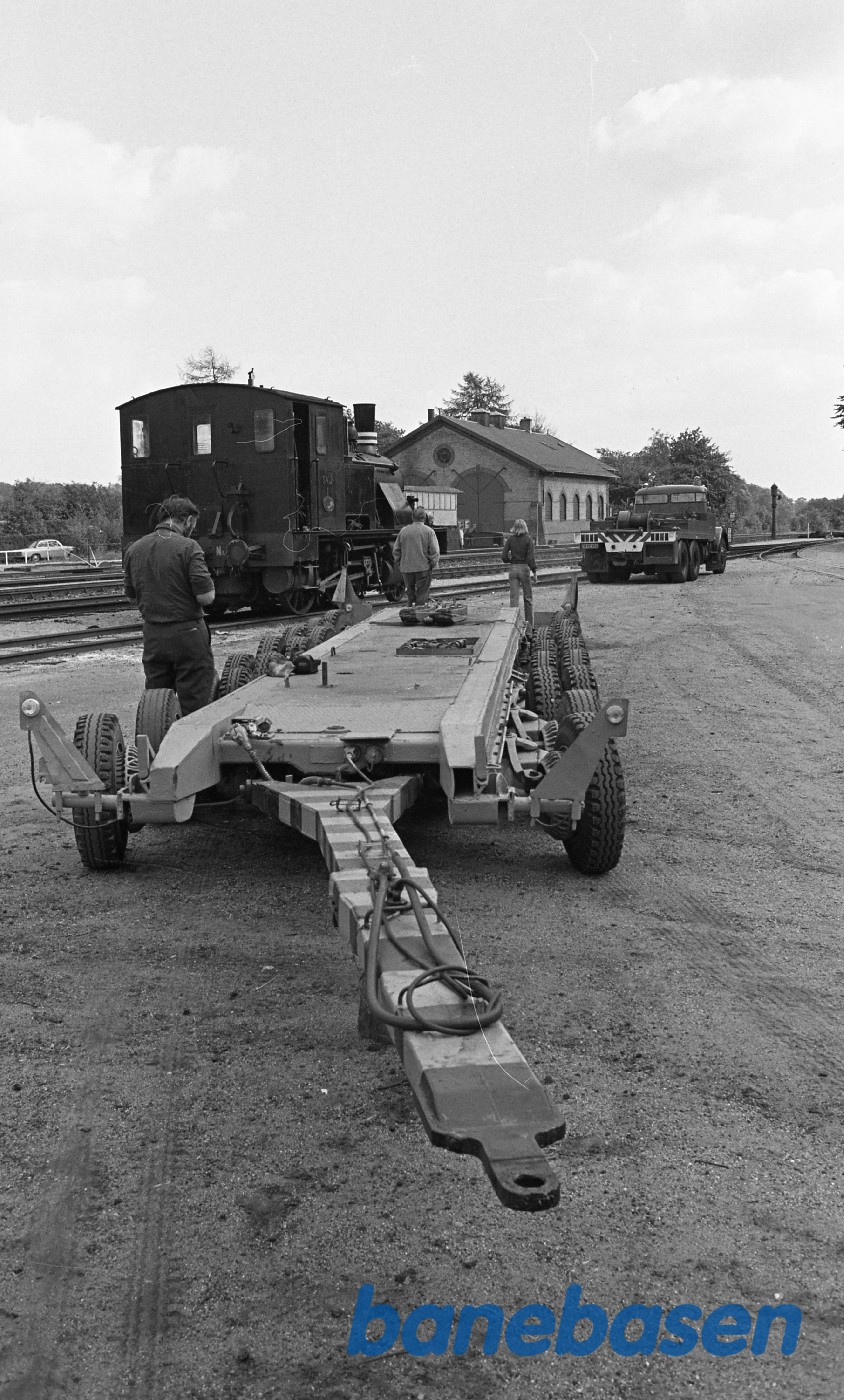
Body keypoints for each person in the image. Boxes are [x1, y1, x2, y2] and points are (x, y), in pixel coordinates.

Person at [123, 495, 216, 714]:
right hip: (188, 634)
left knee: (157, 701)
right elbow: (206, 597)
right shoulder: (189, 547)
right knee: (195, 701)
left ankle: (160, 743)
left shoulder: (135, 548)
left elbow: (131, 598)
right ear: (189, 520)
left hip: (154, 636)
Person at [392, 505, 440, 606]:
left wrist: (400, 564)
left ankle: (409, 614)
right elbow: (434, 551)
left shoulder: (403, 531)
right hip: (423, 568)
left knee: (410, 594)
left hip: (407, 569)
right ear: (424, 517)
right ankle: (419, 617)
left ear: (412, 517)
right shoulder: (429, 532)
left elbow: (396, 551)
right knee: (422, 595)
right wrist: (431, 564)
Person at [501, 518, 537, 629]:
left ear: (514, 527)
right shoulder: (528, 540)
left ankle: (514, 625)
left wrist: (510, 561)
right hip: (524, 568)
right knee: (528, 598)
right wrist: (534, 571)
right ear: (525, 527)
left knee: (514, 598)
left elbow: (503, 556)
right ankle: (529, 626)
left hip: (513, 569)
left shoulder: (510, 539)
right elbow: (530, 558)